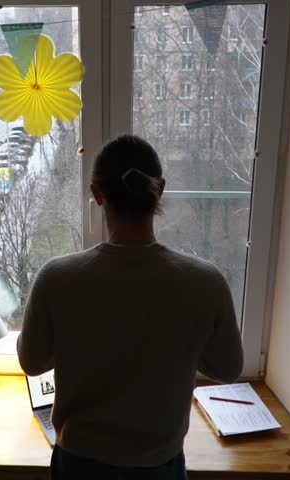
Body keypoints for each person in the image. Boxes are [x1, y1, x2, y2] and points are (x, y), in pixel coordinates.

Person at [17, 134, 243, 479]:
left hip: (79, 464)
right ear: (160, 189)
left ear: (96, 194)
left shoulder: (56, 278)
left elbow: (31, 363)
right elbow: (228, 368)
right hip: (159, 466)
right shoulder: (205, 281)